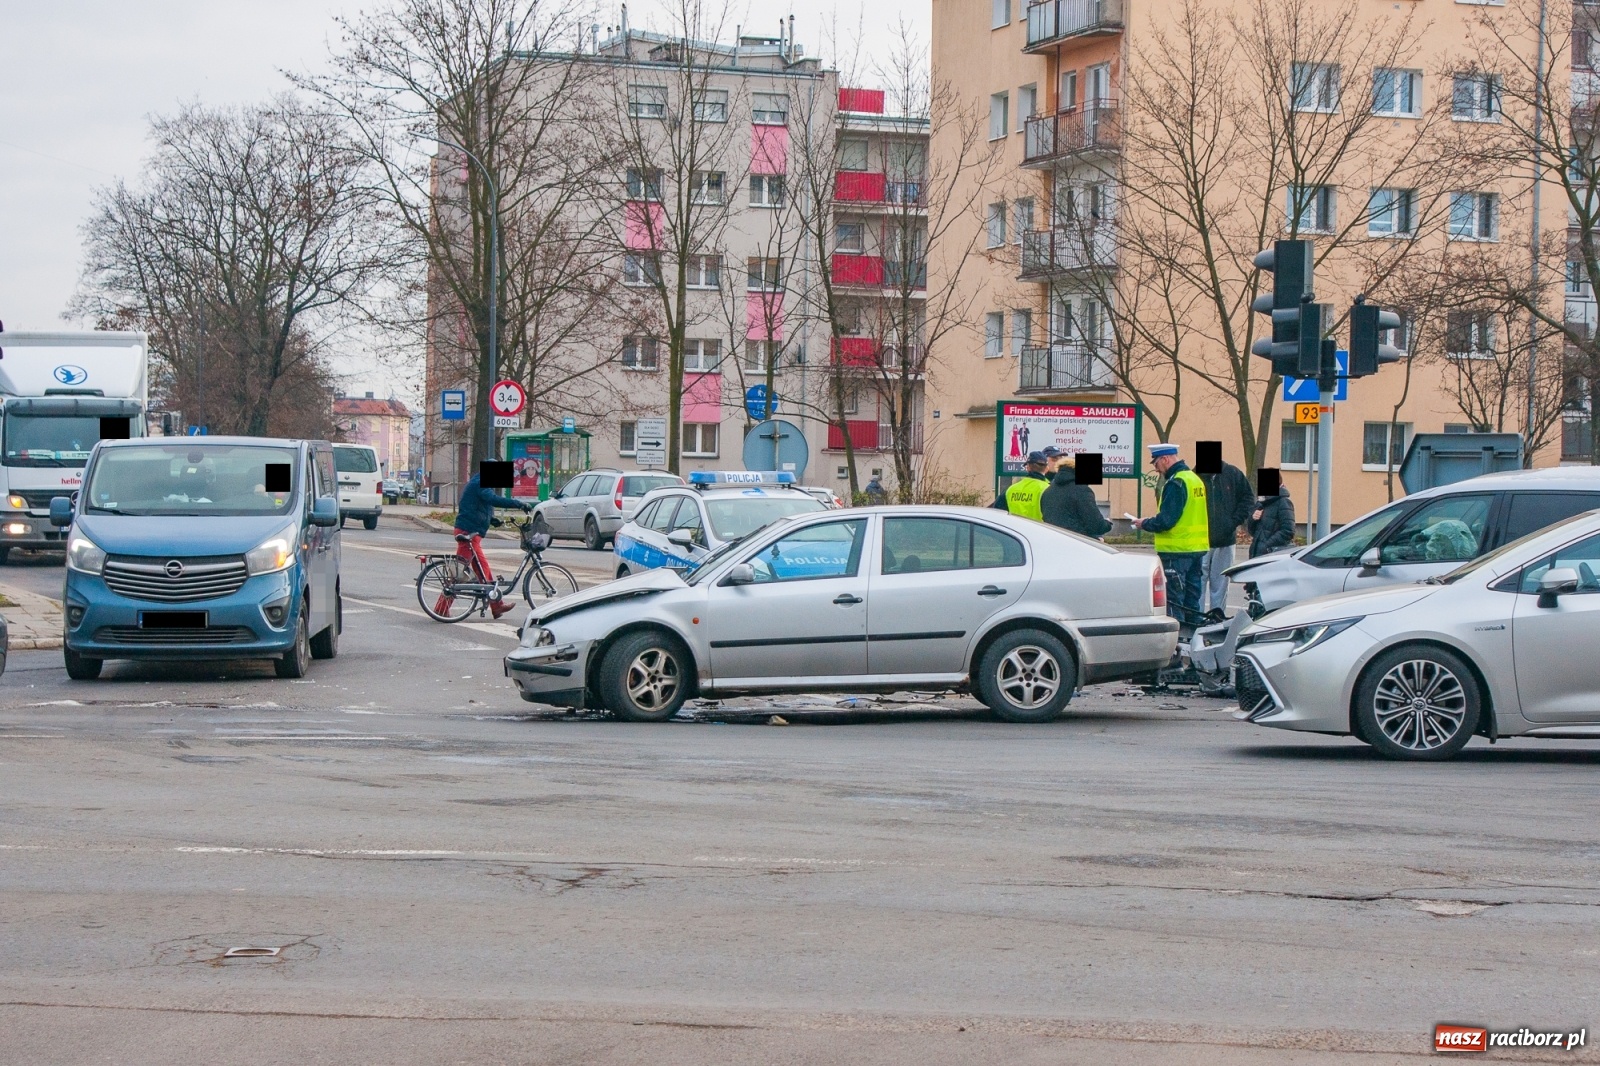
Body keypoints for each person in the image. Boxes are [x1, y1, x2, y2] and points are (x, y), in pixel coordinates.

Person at [1137, 443, 1209, 628]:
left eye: (1156, 463)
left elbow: (1167, 521)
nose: (1155, 468)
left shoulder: (1176, 483)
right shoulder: (1194, 479)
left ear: (1166, 459)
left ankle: (1177, 645)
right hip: (1196, 550)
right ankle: (1193, 642)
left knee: (1174, 603)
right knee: (1192, 601)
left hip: (1176, 552)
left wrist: (1144, 523)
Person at [454, 470, 533, 618]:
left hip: (472, 532)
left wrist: (492, 519)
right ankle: (440, 609)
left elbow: (481, 505)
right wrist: (519, 504)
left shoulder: (480, 483)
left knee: (484, 570)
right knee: (458, 574)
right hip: (468, 532)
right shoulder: (480, 483)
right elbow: (493, 500)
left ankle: (497, 606)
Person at [1199, 456, 1255, 615]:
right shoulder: (1194, 476)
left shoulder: (1232, 474)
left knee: (1221, 582)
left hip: (1225, 540)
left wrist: (1233, 522)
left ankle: (1216, 616)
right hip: (1200, 541)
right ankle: (1197, 618)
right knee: (1198, 583)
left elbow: (1247, 498)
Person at [1041, 455, 1112, 539]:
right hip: (1076, 543)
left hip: (1053, 540)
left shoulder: (1049, 490)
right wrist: (1107, 523)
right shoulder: (1082, 491)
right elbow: (1095, 525)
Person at [991, 451, 1052, 520]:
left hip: (1012, 530)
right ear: (1047, 468)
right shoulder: (1048, 489)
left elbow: (996, 514)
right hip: (1040, 530)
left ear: (1028, 467)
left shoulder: (1010, 490)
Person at [1247, 483, 1295, 558]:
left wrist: (1266, 545)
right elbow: (1252, 531)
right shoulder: (1261, 503)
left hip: (1272, 554)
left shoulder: (1284, 502)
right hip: (1256, 553)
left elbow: (1288, 531)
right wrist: (1253, 519)